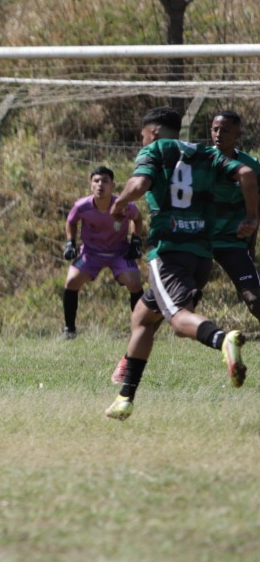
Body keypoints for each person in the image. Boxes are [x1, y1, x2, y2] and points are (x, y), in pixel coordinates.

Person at [104, 107, 258, 420]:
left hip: (169, 251)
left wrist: (119, 203)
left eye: (142, 135)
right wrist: (252, 218)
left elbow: (139, 185)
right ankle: (124, 397)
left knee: (177, 318)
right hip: (200, 255)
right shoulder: (204, 153)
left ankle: (222, 339)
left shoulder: (156, 150)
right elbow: (245, 174)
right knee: (143, 317)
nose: (142, 141)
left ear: (155, 133)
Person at [61, 166, 143, 339]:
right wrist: (70, 242)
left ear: (113, 186)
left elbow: (137, 218)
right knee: (71, 281)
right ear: (90, 185)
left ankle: (139, 330)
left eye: (105, 181)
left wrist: (136, 240)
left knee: (135, 283)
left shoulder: (123, 206)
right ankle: (69, 330)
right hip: (91, 253)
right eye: (96, 181)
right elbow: (71, 221)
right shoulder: (82, 206)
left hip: (119, 252)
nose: (100, 185)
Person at [204, 110, 260, 322]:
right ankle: (136, 348)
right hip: (200, 241)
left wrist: (251, 244)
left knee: (255, 300)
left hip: (232, 242)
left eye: (225, 130)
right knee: (181, 298)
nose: (219, 134)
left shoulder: (251, 167)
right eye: (215, 129)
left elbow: (255, 210)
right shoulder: (200, 161)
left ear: (238, 134)